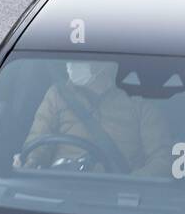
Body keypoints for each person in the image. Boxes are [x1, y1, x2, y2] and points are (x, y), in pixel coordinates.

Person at [19, 60, 170, 175]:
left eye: (82, 59)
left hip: (118, 196)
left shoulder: (139, 103)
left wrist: (131, 184)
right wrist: (31, 162)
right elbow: (37, 142)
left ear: (105, 65)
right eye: (73, 59)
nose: (72, 64)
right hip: (63, 186)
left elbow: (162, 160)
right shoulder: (57, 94)